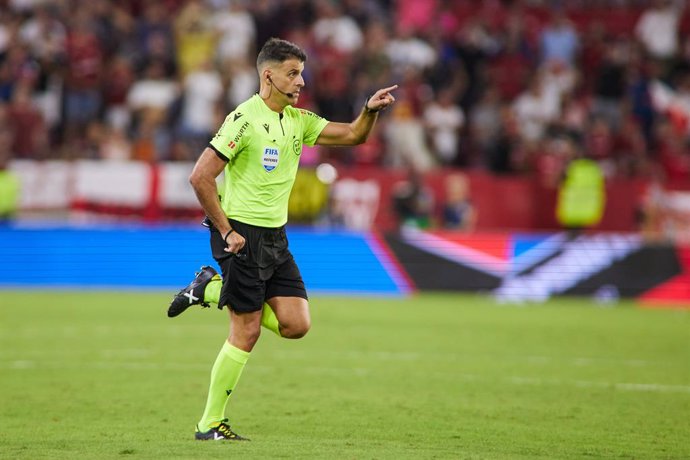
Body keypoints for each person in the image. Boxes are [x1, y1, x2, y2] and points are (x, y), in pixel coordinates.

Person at [166, 37, 397, 442]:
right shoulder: (243, 120)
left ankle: (207, 290)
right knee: (247, 330)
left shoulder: (299, 121)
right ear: (268, 75)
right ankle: (208, 425)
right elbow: (200, 177)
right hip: (240, 235)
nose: (301, 82)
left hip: (276, 238)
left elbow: (354, 136)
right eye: (293, 73)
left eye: (302, 73)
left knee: (296, 324)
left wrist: (368, 111)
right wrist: (225, 230)